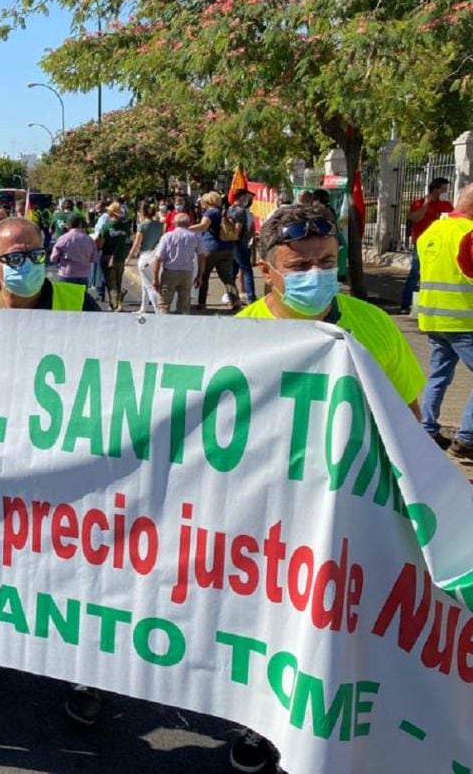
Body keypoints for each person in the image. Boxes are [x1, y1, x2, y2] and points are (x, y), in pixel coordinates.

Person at [231, 200, 425, 773]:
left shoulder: (372, 324)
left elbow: (409, 416)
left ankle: (331, 725)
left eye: (325, 260)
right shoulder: (240, 336)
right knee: (267, 624)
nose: (315, 274)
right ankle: (258, 725)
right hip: (272, 511)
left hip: (354, 506)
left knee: (338, 624)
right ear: (266, 268)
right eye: (298, 265)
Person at [0, 216, 100, 723]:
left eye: (35, 255)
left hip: (71, 464)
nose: (27, 265)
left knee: (75, 568)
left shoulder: (81, 303)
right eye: (15, 258)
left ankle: (87, 675)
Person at [416, 182, 473, 456]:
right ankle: (467, 438)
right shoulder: (469, 234)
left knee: (438, 375)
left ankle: (426, 428)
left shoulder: (432, 230)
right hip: (465, 322)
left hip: (432, 319)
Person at [402, 177, 453, 314]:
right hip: (422, 244)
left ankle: (429, 305)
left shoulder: (446, 205)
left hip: (440, 245)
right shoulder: (420, 203)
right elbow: (414, 218)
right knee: (415, 273)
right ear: (435, 190)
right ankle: (406, 304)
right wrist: (426, 205)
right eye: (443, 189)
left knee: (434, 276)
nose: (445, 192)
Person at [194, 191, 240, 311]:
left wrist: (185, 228)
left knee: (204, 275)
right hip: (227, 247)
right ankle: (236, 301)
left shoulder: (210, 212)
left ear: (207, 202)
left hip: (211, 247)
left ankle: (202, 303)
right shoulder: (222, 212)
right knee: (227, 277)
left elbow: (203, 226)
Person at [152, 213, 205, 314]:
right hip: (187, 273)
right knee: (184, 305)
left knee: (164, 304)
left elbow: (158, 258)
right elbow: (201, 256)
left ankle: (162, 325)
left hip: (170, 273)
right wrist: (200, 276)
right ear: (189, 223)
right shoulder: (195, 236)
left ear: (174, 223)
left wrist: (155, 278)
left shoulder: (167, 236)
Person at [127, 203, 165, 314]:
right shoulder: (159, 224)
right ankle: (143, 308)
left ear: (142, 213)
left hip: (145, 257)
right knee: (145, 284)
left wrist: (129, 257)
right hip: (156, 255)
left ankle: (158, 311)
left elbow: (136, 244)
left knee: (149, 286)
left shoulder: (142, 226)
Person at [49, 212, 98, 286]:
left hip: (66, 274)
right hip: (83, 275)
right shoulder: (89, 239)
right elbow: (94, 258)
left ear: (68, 226)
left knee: (65, 297)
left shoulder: (63, 239)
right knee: (80, 297)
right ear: (80, 225)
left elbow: (53, 258)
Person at [99, 202, 132, 309]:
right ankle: (116, 302)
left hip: (108, 256)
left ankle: (115, 305)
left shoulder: (106, 226)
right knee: (118, 282)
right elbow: (128, 238)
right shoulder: (125, 226)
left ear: (110, 213)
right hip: (121, 257)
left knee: (111, 283)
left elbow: (101, 243)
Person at [229, 188, 258, 303]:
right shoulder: (241, 211)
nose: (248, 200)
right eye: (246, 197)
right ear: (241, 197)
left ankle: (232, 296)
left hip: (232, 245)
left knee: (232, 272)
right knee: (247, 271)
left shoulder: (229, 209)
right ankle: (251, 297)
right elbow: (238, 229)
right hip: (240, 244)